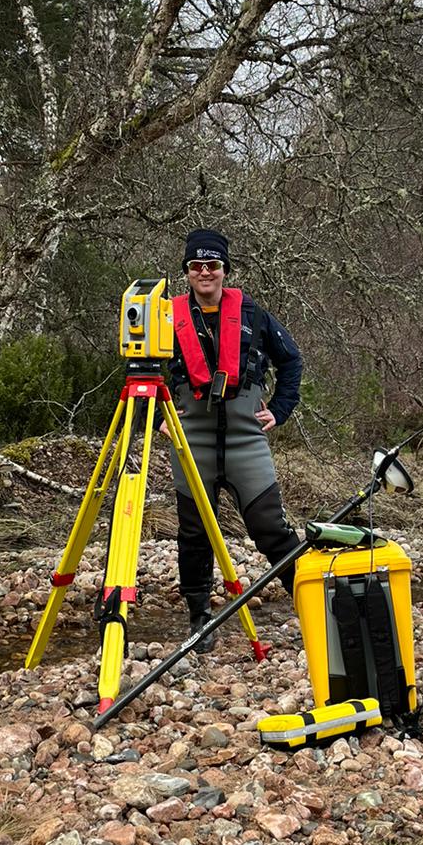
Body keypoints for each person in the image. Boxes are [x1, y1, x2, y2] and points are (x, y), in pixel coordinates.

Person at [166, 228, 303, 647]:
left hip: (247, 436)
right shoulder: (167, 317)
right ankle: (200, 620)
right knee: (194, 534)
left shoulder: (254, 315)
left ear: (225, 270)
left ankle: (310, 603)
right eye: (196, 266)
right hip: (193, 439)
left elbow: (291, 360)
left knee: (270, 528)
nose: (205, 272)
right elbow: (142, 372)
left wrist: (278, 412)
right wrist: (155, 419)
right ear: (187, 273)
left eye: (213, 265)